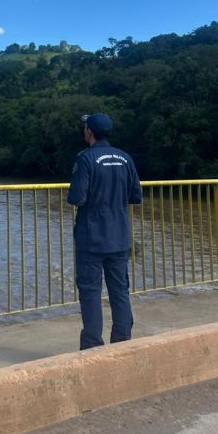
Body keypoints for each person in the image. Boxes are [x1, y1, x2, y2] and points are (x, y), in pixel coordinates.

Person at [67, 112, 142, 350]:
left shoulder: (85, 158)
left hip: (91, 237)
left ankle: (92, 346)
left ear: (89, 131)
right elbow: (136, 195)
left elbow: (77, 198)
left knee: (90, 291)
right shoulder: (125, 158)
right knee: (120, 290)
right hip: (119, 236)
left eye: (85, 128)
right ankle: (122, 342)